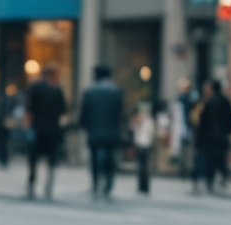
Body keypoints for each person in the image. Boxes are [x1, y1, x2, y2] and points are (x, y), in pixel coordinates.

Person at [79, 65, 125, 199]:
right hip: (111, 130)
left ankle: (95, 182)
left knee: (94, 158)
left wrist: (84, 125)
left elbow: (84, 113)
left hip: (94, 130)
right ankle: (109, 183)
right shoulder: (116, 91)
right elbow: (120, 113)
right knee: (110, 158)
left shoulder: (90, 91)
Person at [25, 66, 68, 199]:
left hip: (37, 128)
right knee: (51, 159)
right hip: (52, 129)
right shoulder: (57, 90)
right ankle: (48, 184)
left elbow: (29, 108)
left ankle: (32, 182)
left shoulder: (34, 88)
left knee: (33, 158)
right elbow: (63, 110)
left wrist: (27, 124)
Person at [194, 79, 231, 193]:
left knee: (211, 160)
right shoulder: (225, 102)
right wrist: (227, 131)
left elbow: (203, 123)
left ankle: (210, 181)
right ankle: (223, 178)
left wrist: (199, 140)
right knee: (221, 159)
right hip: (222, 136)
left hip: (210, 137)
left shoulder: (209, 103)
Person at [131, 100, 159, 195]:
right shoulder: (139, 120)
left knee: (145, 167)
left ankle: (145, 187)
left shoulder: (149, 121)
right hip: (140, 144)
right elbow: (134, 130)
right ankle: (140, 187)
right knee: (140, 167)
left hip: (146, 144)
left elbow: (150, 133)